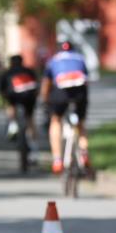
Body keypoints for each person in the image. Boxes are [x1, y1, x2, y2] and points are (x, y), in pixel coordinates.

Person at [40, 40, 89, 174]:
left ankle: (57, 159)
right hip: (79, 92)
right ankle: (84, 153)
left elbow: (46, 83)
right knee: (80, 123)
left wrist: (45, 100)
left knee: (55, 120)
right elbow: (86, 80)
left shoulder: (53, 60)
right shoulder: (80, 58)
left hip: (60, 92)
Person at [0, 55, 39, 151]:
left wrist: (3, 100)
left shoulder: (7, 73)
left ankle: (12, 125)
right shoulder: (29, 71)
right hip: (29, 97)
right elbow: (36, 85)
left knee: (11, 106)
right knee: (30, 118)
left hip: (13, 97)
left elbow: (2, 90)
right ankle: (34, 145)